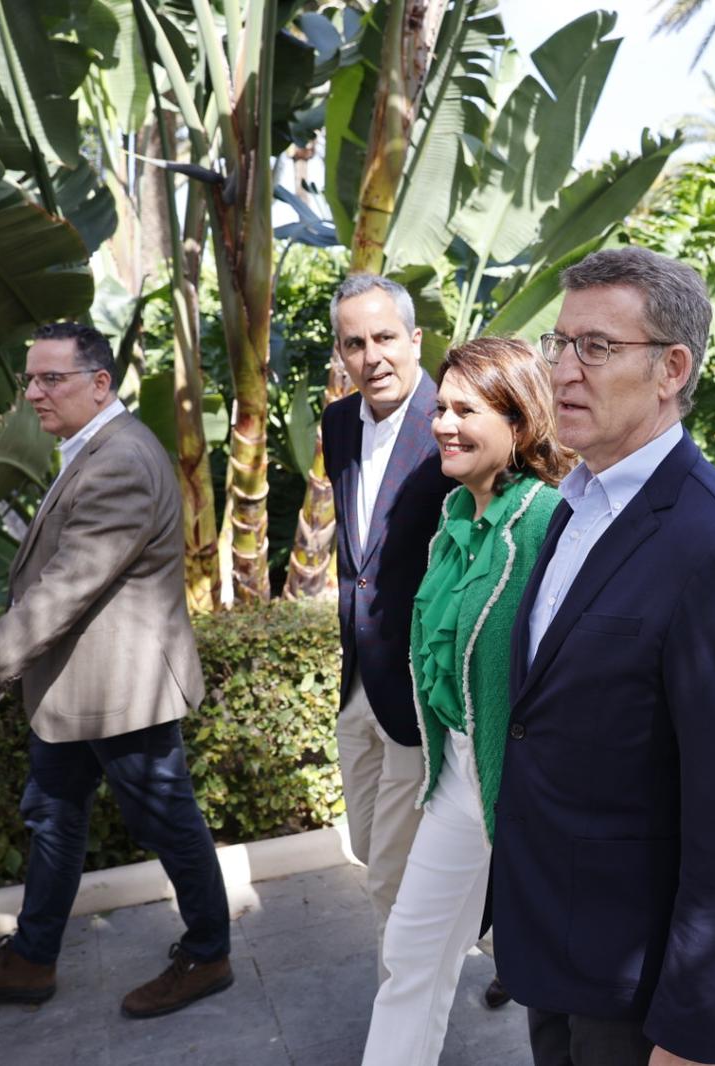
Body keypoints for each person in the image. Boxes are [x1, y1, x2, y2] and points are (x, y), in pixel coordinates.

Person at [493, 247, 715, 1066]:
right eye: (559, 344)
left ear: (671, 370)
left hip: (639, 985)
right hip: (554, 941)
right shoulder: (575, 501)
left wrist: (693, 1029)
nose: (563, 370)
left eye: (596, 347)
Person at [0, 322, 232, 1018]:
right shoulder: (93, 447)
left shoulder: (120, 462)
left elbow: (65, 589)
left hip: (124, 692)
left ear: (100, 384)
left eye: (52, 379)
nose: (35, 393)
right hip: (76, 689)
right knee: (52, 816)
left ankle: (208, 954)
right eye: (31, 379)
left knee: (168, 823)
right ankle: (31, 959)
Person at [361, 337, 570, 1065]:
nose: (443, 423)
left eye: (466, 410)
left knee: (568, 987)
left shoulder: (550, 521)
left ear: (520, 423)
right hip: (456, 773)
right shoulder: (452, 513)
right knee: (412, 947)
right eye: (441, 407)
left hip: (531, 788)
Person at [321, 274, 455, 975]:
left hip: (419, 688)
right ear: (340, 353)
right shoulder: (338, 423)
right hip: (357, 685)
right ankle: (483, 919)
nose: (371, 356)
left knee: (387, 878)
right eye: (354, 343)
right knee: (368, 844)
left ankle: (402, 1029)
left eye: (384, 338)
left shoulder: (454, 423)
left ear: (415, 340)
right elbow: (359, 561)